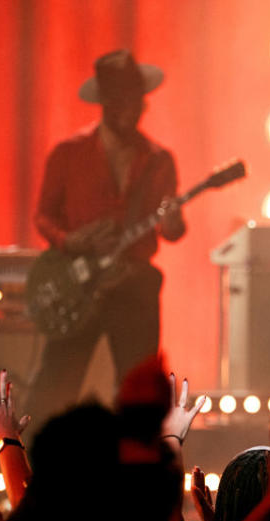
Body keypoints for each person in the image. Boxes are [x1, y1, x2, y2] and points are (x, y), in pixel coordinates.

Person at [25, 49, 185, 423]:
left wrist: (174, 218)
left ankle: (136, 466)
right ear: (105, 103)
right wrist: (72, 241)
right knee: (55, 384)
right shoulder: (69, 154)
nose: (132, 107)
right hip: (78, 283)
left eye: (135, 98)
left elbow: (172, 231)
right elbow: (43, 216)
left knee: (139, 392)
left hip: (133, 284)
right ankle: (35, 466)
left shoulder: (159, 159)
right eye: (121, 99)